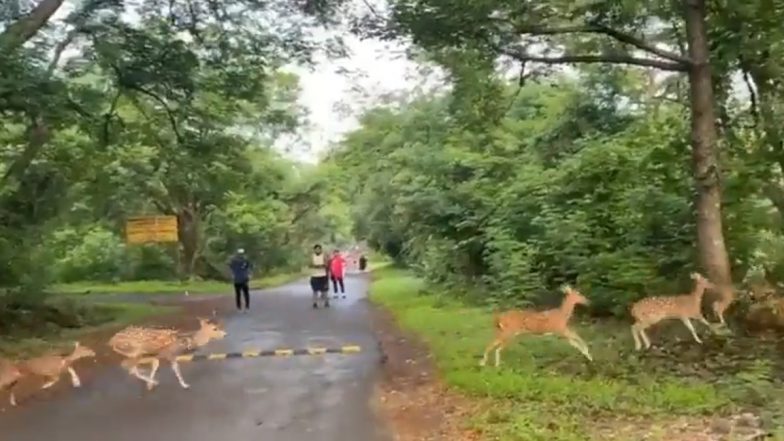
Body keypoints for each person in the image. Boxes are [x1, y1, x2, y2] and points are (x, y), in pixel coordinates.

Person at [310, 244, 330, 308]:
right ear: (314, 250)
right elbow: (310, 264)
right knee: (315, 290)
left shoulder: (324, 256)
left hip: (323, 275)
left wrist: (321, 266)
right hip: (314, 275)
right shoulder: (312, 256)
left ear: (321, 249)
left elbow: (327, 264)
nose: (317, 250)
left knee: (324, 290)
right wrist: (315, 266)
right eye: (316, 249)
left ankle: (326, 302)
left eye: (319, 249)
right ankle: (315, 303)